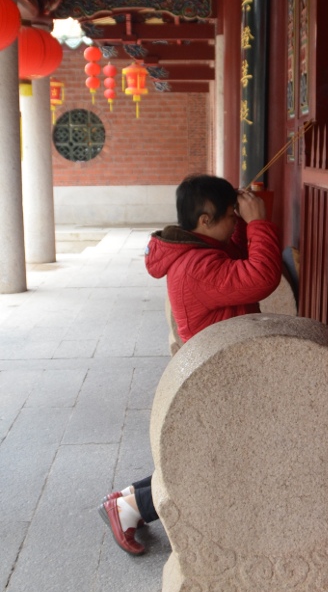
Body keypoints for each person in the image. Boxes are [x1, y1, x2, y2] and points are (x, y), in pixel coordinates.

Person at [98, 174, 282, 555]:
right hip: (218, 374)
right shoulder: (197, 267)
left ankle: (129, 498)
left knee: (206, 452)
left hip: (218, 366)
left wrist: (246, 218)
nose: (236, 222)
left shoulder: (196, 250)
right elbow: (261, 276)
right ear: (204, 221)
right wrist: (260, 223)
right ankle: (132, 507)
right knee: (210, 460)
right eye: (231, 216)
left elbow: (232, 255)